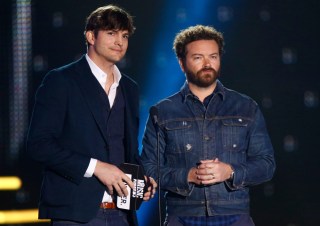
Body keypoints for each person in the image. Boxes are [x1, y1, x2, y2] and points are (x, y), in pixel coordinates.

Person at [27, 5, 156, 226]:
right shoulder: (61, 81)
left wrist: (141, 180)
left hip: (122, 213)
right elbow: (39, 145)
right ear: (90, 36)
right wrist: (96, 167)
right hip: (76, 213)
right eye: (111, 33)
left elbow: (128, 148)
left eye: (124, 35)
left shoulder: (129, 87)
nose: (119, 41)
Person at [140, 25, 275, 226]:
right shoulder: (162, 112)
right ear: (182, 63)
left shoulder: (246, 107)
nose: (207, 64)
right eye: (198, 57)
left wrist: (230, 171)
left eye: (213, 56)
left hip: (235, 215)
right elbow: (149, 168)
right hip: (183, 215)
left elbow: (266, 165)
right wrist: (188, 176)